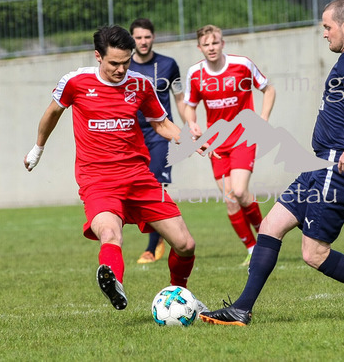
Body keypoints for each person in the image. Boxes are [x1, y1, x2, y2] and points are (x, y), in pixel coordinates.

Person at [199, 0, 344, 325]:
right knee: (270, 226)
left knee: (314, 253)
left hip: (337, 166)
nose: (324, 33)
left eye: (327, 27)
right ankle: (241, 309)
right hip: (320, 165)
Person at [23, 25, 205, 312]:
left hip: (139, 177)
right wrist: (38, 148)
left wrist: (189, 140)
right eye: (114, 63)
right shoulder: (75, 82)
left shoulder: (141, 84)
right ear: (98, 56)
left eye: (126, 62)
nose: (121, 69)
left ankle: (180, 295)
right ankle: (114, 283)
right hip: (98, 181)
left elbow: (160, 123)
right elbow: (53, 112)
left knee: (185, 244)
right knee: (110, 234)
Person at [184, 24, 276, 266]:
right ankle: (253, 249)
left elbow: (268, 89)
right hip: (216, 145)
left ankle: (267, 238)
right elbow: (189, 107)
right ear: (199, 47)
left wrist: (263, 118)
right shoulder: (194, 73)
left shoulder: (242, 65)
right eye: (206, 44)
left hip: (243, 137)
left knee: (240, 191)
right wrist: (192, 125)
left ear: (222, 43)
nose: (211, 47)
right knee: (230, 199)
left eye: (215, 42)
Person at [128, 18, 185, 265]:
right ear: (132, 39)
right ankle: (159, 234)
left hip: (160, 134)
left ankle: (152, 246)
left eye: (147, 37)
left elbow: (180, 97)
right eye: (138, 37)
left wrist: (188, 127)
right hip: (132, 136)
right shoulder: (124, 66)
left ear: (153, 37)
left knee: (154, 185)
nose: (143, 41)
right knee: (135, 190)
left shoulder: (168, 65)